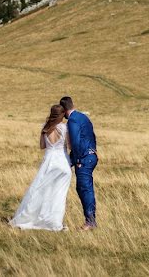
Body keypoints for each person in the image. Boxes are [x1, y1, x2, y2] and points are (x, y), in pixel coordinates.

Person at [9, 104, 72, 231]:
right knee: (59, 194)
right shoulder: (65, 128)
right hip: (62, 162)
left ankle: (32, 217)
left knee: (41, 191)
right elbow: (69, 146)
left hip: (49, 161)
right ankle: (54, 221)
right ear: (62, 115)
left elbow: (42, 146)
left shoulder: (45, 127)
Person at [61, 95, 99, 230]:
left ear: (64, 109)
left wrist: (76, 160)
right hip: (91, 154)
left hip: (83, 157)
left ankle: (90, 221)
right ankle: (90, 219)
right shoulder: (83, 117)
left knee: (84, 188)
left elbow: (75, 143)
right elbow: (92, 136)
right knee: (83, 187)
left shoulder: (72, 121)